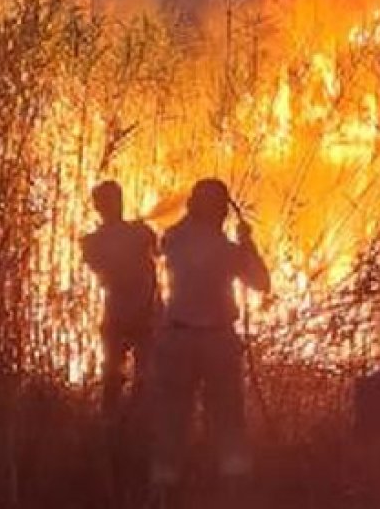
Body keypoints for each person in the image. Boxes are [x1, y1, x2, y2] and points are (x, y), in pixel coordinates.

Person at [150, 178, 270, 493]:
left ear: (192, 207)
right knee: (228, 418)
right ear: (221, 211)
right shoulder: (228, 252)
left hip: (177, 340)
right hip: (218, 343)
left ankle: (164, 488)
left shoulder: (173, 240)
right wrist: (247, 243)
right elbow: (261, 282)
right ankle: (235, 488)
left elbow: (167, 238)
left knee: (172, 418)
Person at [80, 180, 160, 418]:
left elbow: (156, 252)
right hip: (126, 314)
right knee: (118, 375)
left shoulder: (131, 234)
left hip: (134, 313)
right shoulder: (97, 240)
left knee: (135, 375)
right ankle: (119, 423)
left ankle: (126, 422)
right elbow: (106, 267)